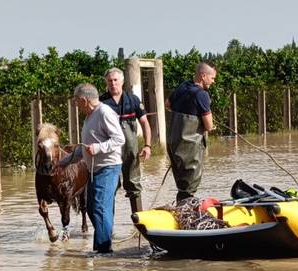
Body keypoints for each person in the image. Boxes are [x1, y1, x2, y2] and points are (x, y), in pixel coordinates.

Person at [72, 83, 125, 253]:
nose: (76, 105)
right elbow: (84, 147)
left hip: (108, 167)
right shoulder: (89, 116)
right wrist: (64, 161)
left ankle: (103, 251)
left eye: (76, 102)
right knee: (93, 208)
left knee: (100, 207)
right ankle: (104, 242)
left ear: (84, 100)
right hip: (94, 170)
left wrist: (97, 148)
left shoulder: (104, 112)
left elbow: (119, 139)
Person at [99, 67, 153, 213]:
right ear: (106, 82)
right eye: (109, 81)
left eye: (115, 80)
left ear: (122, 81)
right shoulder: (101, 103)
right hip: (110, 153)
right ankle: (108, 225)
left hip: (131, 152)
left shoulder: (133, 100)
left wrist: (147, 145)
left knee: (134, 184)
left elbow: (145, 123)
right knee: (110, 187)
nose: (113, 83)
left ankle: (138, 223)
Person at [165, 62, 217, 202]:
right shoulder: (202, 95)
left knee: (182, 185)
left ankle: (181, 209)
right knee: (189, 186)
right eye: (212, 78)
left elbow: (167, 104)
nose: (213, 81)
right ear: (203, 75)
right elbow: (208, 125)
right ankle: (186, 216)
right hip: (190, 146)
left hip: (173, 143)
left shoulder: (183, 86)